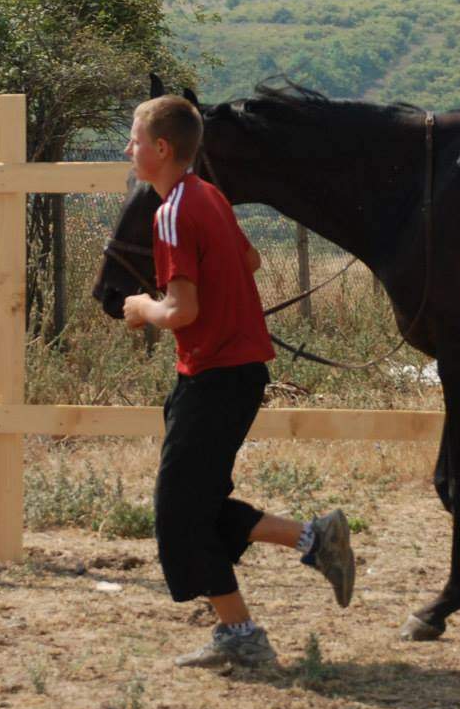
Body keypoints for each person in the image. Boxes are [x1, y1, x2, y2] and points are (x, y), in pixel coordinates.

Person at [119, 94, 356, 669]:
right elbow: (248, 264)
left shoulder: (172, 211)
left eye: (133, 139)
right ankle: (312, 540)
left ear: (161, 148)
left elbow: (180, 312)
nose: (128, 149)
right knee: (195, 505)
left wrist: (139, 307)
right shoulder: (210, 197)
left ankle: (243, 633)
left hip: (214, 376)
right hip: (233, 374)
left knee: (179, 514)